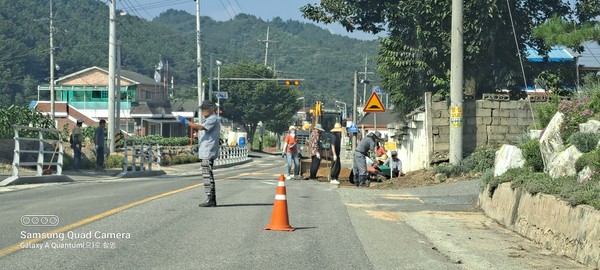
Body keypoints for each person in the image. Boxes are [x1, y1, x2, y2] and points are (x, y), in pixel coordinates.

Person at [177, 101, 221, 207]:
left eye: (206, 108)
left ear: (212, 109)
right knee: (207, 175)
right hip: (206, 151)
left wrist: (185, 122)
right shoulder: (211, 119)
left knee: (207, 175)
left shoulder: (213, 118)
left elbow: (201, 127)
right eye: (202, 109)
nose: (204, 111)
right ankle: (210, 198)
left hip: (208, 151)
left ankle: (211, 199)